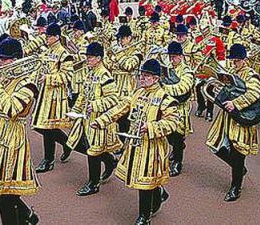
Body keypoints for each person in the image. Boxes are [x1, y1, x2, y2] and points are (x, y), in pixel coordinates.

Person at [92, 59, 179, 225]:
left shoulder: (164, 98)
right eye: (142, 75)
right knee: (144, 179)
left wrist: (152, 127)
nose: (142, 78)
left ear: (156, 78)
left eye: (146, 76)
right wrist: (102, 120)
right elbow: (121, 108)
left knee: (144, 181)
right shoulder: (138, 93)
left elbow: (173, 122)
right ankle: (158, 195)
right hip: (136, 144)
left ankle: (144, 217)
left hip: (152, 147)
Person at [0, 38, 39, 225]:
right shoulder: (7, 81)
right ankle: (27, 216)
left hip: (11, 142)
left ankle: (25, 218)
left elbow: (12, 109)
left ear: (16, 59)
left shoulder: (28, 85)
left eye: (3, 59)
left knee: (6, 195)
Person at [204, 43, 260, 201]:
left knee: (238, 152)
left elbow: (254, 94)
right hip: (226, 118)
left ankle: (236, 186)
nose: (234, 63)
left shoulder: (251, 75)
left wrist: (236, 103)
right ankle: (239, 169)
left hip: (241, 117)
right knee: (216, 146)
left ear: (243, 59)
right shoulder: (231, 72)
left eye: (236, 61)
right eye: (232, 60)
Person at [65, 42, 120, 196]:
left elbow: (113, 98)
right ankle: (109, 160)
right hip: (86, 118)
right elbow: (83, 94)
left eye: (90, 57)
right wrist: (74, 110)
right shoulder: (89, 73)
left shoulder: (104, 75)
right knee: (78, 144)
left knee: (93, 152)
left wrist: (96, 105)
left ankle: (93, 183)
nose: (87, 60)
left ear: (99, 58)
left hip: (98, 120)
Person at [31, 23, 74, 174]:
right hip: (44, 94)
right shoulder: (47, 51)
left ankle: (48, 160)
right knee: (41, 126)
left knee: (47, 128)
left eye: (49, 36)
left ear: (56, 37)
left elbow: (67, 76)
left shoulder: (64, 54)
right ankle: (65, 143)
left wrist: (48, 78)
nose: (46, 38)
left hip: (55, 96)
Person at [161, 41, 194, 177]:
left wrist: (164, 88)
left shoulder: (186, 70)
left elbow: (183, 88)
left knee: (178, 135)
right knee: (169, 134)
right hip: (169, 106)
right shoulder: (168, 67)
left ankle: (178, 162)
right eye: (170, 56)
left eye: (174, 57)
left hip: (180, 107)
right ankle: (176, 148)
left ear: (180, 56)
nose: (171, 59)